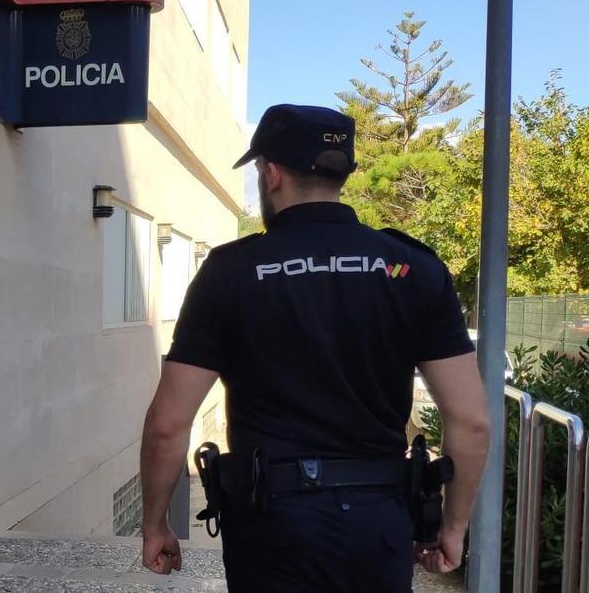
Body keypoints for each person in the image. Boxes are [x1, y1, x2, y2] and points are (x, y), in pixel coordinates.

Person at [139, 104, 491, 592]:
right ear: (340, 175)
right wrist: (453, 526)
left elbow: (167, 424)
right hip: (378, 525)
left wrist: (156, 523)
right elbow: (472, 420)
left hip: (272, 526)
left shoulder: (230, 272)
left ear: (272, 173)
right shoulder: (413, 269)